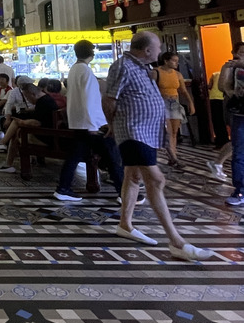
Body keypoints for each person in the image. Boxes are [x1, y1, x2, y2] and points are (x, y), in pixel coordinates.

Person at [104, 31, 211, 260]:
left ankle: (125, 224)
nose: (160, 51)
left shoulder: (144, 68)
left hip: (145, 133)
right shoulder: (122, 66)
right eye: (158, 47)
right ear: (147, 50)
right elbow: (109, 99)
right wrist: (112, 125)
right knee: (156, 180)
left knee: (133, 176)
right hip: (132, 132)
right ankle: (176, 241)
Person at [53, 40, 129, 202]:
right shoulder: (85, 71)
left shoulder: (74, 69)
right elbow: (89, 99)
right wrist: (94, 124)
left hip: (80, 121)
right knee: (112, 155)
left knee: (74, 156)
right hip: (91, 123)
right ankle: (124, 193)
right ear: (91, 53)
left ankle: (63, 188)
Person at [0, 81, 58, 172]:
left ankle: (6, 156)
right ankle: (4, 152)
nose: (27, 100)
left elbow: (37, 123)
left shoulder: (43, 103)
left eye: (27, 97)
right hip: (49, 134)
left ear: (33, 94)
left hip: (47, 138)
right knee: (17, 128)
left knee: (17, 131)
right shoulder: (46, 99)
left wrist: (22, 122)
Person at [154, 51, 194, 170]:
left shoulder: (177, 74)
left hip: (175, 102)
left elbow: (183, 90)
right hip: (162, 103)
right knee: (168, 131)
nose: (176, 63)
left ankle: (173, 155)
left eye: (177, 61)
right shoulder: (156, 72)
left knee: (175, 132)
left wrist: (190, 103)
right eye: (174, 61)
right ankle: (173, 157)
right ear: (166, 61)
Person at [219, 42, 244, 205]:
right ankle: (240, 191)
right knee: (239, 152)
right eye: (241, 52)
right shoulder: (230, 67)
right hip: (240, 114)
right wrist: (233, 93)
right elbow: (223, 85)